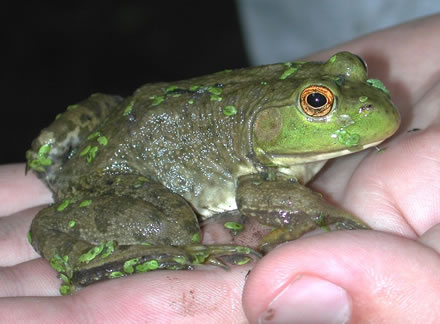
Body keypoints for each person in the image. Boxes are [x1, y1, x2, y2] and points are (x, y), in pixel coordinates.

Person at [1, 14, 440, 323]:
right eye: (318, 104)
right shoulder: (260, 162)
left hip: (134, 119)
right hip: (121, 176)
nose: (366, 102)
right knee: (176, 228)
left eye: (354, 72)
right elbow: (254, 193)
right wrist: (325, 212)